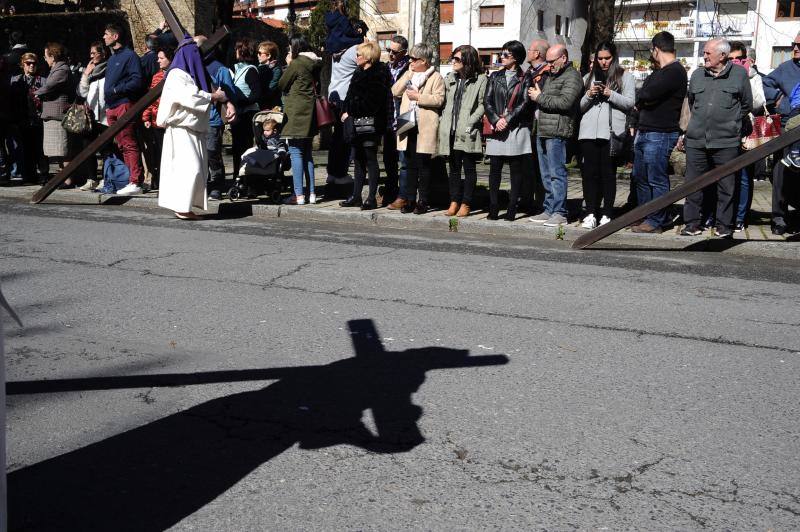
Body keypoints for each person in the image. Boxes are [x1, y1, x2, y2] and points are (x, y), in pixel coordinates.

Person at [680, 38, 752, 238]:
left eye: (707, 53)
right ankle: (692, 224)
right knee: (693, 184)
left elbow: (746, 104)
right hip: (696, 140)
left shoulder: (739, 75)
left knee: (726, 186)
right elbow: (692, 103)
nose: (704, 56)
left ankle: (723, 226)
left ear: (722, 55)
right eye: (704, 53)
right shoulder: (696, 75)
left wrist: (731, 123)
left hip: (726, 141)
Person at [156, 36, 228, 220]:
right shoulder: (177, 73)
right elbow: (190, 96)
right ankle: (182, 207)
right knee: (190, 168)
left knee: (195, 168)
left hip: (192, 129)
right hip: (181, 129)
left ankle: (186, 206)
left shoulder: (188, 73)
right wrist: (214, 96)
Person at [628, 32, 687, 234]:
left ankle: (657, 220)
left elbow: (646, 94)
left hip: (661, 133)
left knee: (656, 178)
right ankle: (644, 214)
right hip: (645, 131)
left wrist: (644, 99)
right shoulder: (658, 72)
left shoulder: (675, 71)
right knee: (640, 177)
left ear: (656, 49)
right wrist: (643, 99)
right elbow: (642, 97)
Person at [577, 41, 635, 228]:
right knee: (589, 175)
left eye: (607, 58)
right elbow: (579, 107)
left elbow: (630, 103)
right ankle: (591, 212)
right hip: (588, 133)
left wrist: (610, 94)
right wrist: (589, 94)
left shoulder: (625, 77)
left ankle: (607, 213)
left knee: (607, 174)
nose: (603, 62)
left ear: (614, 57)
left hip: (611, 133)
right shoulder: (588, 77)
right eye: (600, 58)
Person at [528, 44, 582, 226]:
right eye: (548, 61)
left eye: (552, 61)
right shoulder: (553, 75)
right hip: (543, 129)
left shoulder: (573, 76)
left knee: (556, 173)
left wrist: (539, 97)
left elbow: (566, 102)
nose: (549, 65)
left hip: (558, 131)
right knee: (545, 174)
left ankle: (560, 212)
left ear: (564, 58)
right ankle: (549, 208)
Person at [391, 43, 445, 214]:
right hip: (408, 123)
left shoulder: (435, 77)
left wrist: (418, 97)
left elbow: (438, 100)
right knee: (409, 163)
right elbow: (395, 91)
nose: (410, 62)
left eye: (413, 59)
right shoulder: (409, 74)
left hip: (425, 125)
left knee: (424, 165)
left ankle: (423, 200)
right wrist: (408, 74)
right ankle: (409, 199)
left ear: (423, 60)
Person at [484, 40, 532, 221]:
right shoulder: (495, 76)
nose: (501, 57)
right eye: (501, 54)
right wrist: (496, 119)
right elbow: (486, 100)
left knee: (515, 171)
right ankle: (494, 206)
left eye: (506, 55)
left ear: (517, 58)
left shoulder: (525, 77)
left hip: (515, 129)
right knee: (494, 170)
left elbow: (525, 103)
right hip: (497, 127)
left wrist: (508, 120)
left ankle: (512, 207)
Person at [339, 41, 389, 210]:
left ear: (368, 57)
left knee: (370, 159)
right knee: (358, 159)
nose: (356, 57)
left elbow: (374, 103)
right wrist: (345, 111)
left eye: (359, 54)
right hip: (355, 124)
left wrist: (351, 111)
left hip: (371, 125)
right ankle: (356, 195)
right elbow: (350, 95)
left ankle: (371, 197)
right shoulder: (358, 72)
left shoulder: (379, 74)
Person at [438, 45, 486, 218]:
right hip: (449, 129)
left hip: (467, 130)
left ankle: (466, 203)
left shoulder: (480, 79)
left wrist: (471, 121)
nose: (453, 61)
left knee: (469, 168)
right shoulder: (450, 78)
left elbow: (482, 104)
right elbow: (443, 102)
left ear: (468, 60)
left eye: (457, 59)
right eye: (453, 57)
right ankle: (454, 201)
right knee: (454, 169)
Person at [762, 30, 800, 235]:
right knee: (781, 173)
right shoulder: (785, 68)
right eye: (794, 44)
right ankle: (779, 218)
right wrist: (778, 98)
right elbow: (765, 83)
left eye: (799, 46)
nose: (795, 48)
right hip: (787, 128)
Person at [278, 35, 322, 205]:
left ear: (295, 47)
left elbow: (282, 84)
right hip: (310, 112)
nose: (288, 50)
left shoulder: (297, 63)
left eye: (290, 47)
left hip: (296, 112)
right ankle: (311, 194)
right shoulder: (315, 63)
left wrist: (289, 64)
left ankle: (298, 195)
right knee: (308, 154)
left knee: (296, 152)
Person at [102, 23, 144, 196]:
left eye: (106, 34)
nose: (103, 37)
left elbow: (136, 81)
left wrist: (116, 90)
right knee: (121, 145)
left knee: (129, 143)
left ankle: (135, 181)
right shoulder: (112, 58)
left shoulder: (130, 56)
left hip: (124, 104)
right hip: (111, 107)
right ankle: (128, 180)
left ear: (115, 36)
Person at [194, 35, 236, 201]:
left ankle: (217, 187)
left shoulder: (220, 69)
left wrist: (226, 101)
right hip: (196, 118)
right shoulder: (192, 69)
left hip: (212, 119)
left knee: (212, 155)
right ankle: (202, 186)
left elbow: (230, 93)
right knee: (198, 155)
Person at [728, 41, 765, 231]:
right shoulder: (723, 75)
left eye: (739, 59)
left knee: (743, 176)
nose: (735, 62)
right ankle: (725, 214)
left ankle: (740, 217)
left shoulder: (753, 77)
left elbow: (758, 102)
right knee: (725, 175)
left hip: (746, 133)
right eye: (731, 59)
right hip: (725, 132)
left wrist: (746, 78)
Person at [327, 22, 364, 187]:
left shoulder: (335, 52)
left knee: (336, 138)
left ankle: (332, 172)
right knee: (346, 138)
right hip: (345, 97)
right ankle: (341, 173)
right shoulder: (353, 51)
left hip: (333, 96)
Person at [35, 42, 74, 185]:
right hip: (53, 114)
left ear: (53, 56)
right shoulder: (56, 68)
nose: (45, 59)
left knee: (63, 149)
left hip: (58, 114)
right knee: (58, 150)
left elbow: (49, 85)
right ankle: (63, 177)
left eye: (46, 56)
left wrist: (36, 93)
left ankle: (68, 179)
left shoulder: (62, 69)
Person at [521, 38, 550, 215]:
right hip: (528, 125)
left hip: (540, 125)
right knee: (528, 166)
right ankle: (527, 199)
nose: (528, 52)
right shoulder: (529, 72)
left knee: (541, 167)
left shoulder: (545, 74)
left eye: (530, 49)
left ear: (537, 53)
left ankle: (541, 203)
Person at [76, 42, 110, 191]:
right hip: (90, 115)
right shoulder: (90, 71)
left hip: (104, 115)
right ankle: (91, 179)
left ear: (103, 54)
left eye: (94, 53)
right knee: (87, 146)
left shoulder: (109, 68)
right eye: (90, 54)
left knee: (106, 148)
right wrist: (85, 74)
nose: (91, 56)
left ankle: (106, 178)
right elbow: (82, 93)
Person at [141, 46, 174, 191]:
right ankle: (160, 182)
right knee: (159, 153)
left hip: (172, 121)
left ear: (170, 59)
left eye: (161, 58)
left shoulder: (177, 75)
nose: (158, 61)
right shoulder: (156, 77)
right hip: (156, 120)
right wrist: (146, 117)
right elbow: (151, 98)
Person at [9, 52, 44, 184]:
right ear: (22, 64)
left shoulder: (43, 80)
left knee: (39, 149)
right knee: (26, 148)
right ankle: (29, 175)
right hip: (22, 118)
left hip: (38, 119)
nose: (31, 66)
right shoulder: (15, 79)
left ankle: (42, 174)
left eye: (34, 63)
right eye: (28, 63)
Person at [384, 35, 410, 209]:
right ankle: (390, 193)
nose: (391, 54)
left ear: (404, 53)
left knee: (404, 160)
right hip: (388, 117)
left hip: (405, 116)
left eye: (394, 52)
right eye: (388, 50)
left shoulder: (410, 68)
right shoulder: (386, 67)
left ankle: (404, 196)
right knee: (388, 159)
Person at [231, 39, 262, 179]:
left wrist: (241, 101)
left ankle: (246, 178)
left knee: (245, 148)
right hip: (240, 113)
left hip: (247, 114)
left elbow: (256, 94)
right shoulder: (238, 69)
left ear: (241, 52)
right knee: (237, 148)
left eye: (237, 49)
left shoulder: (251, 71)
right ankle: (238, 176)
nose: (235, 52)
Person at [256, 41, 283, 110]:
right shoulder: (259, 68)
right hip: (260, 105)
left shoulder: (276, 70)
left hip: (272, 107)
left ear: (268, 55)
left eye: (259, 53)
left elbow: (271, 89)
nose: (257, 55)